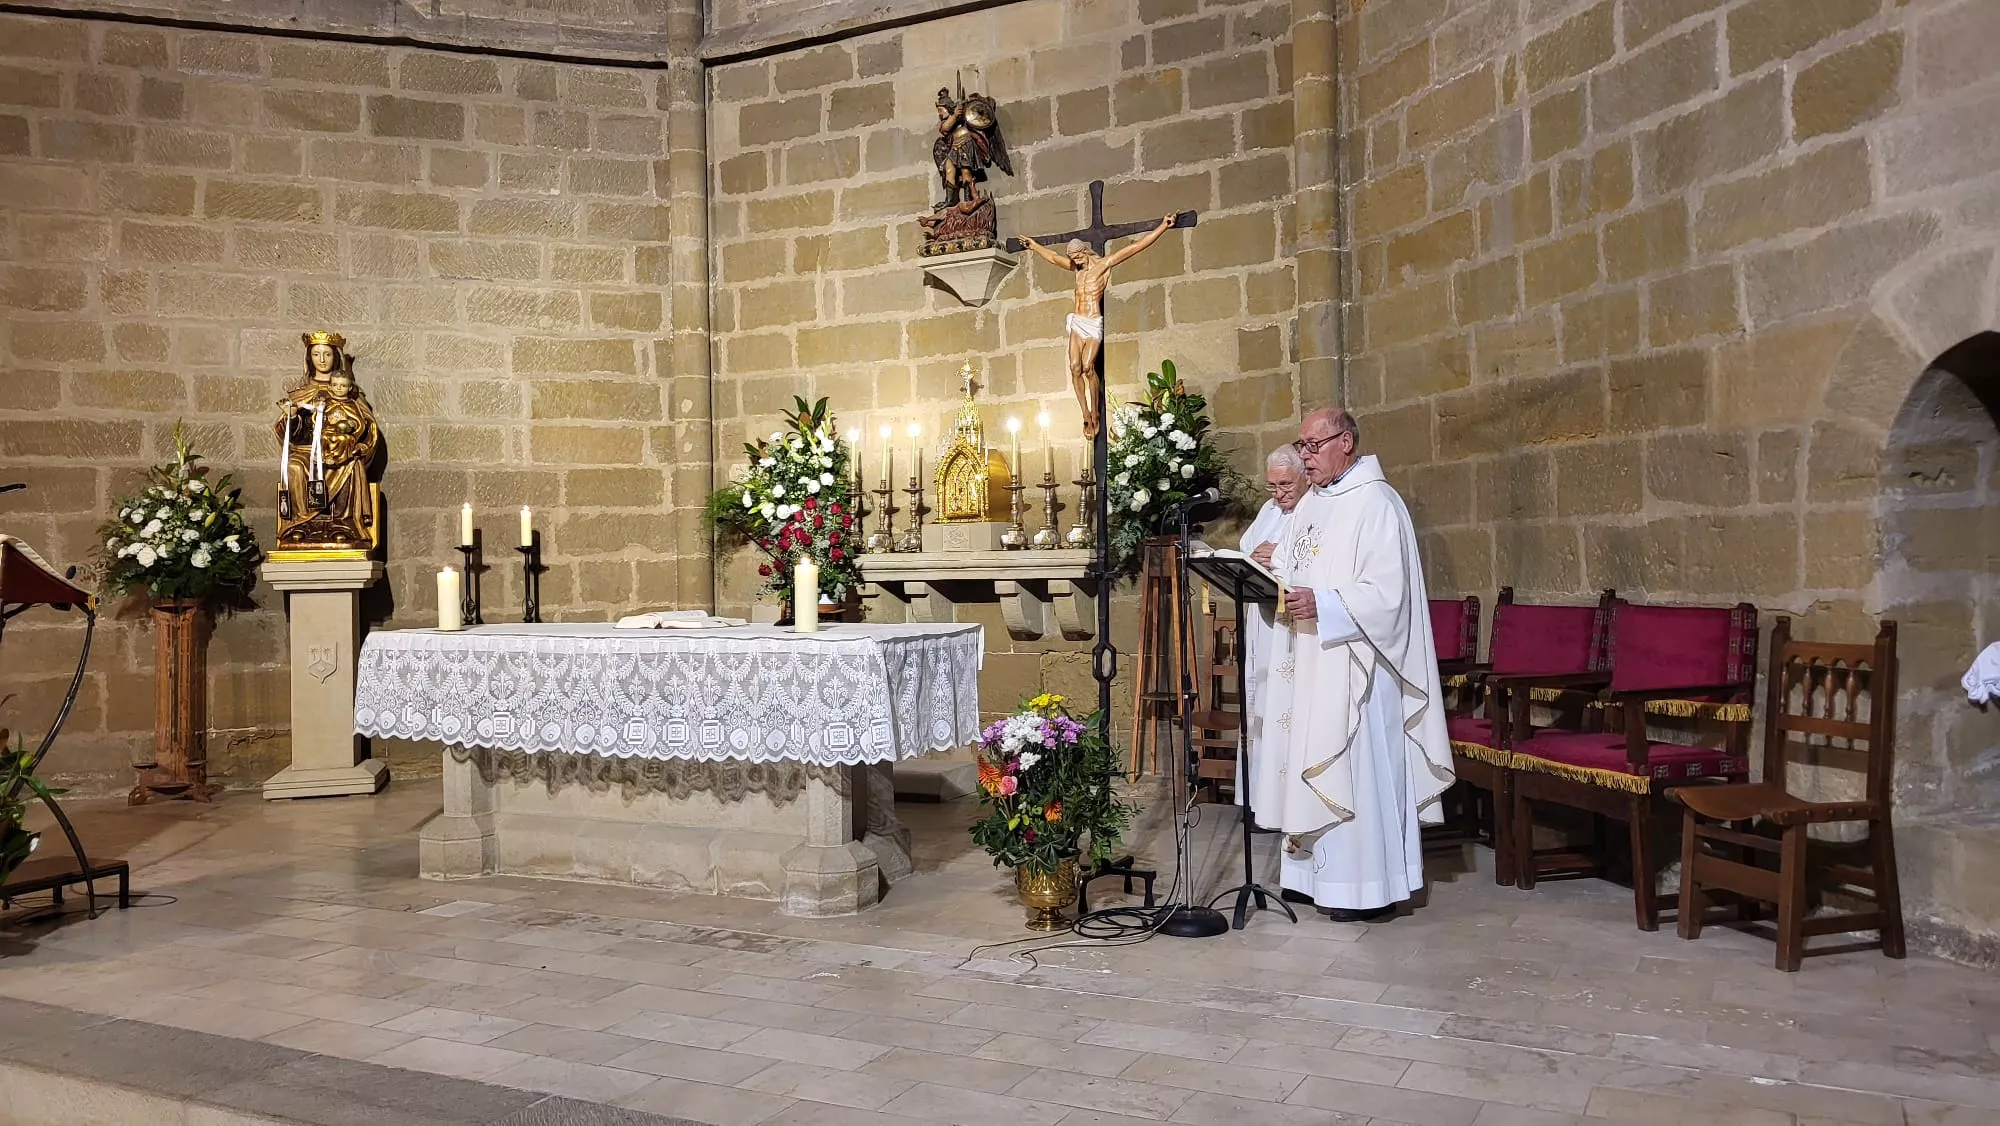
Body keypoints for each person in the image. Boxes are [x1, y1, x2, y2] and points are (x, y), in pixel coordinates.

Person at [1247, 408, 1454, 922]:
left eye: (1312, 447)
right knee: (1308, 759)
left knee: (1353, 768)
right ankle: (1306, 878)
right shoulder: (1312, 504)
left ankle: (1361, 887)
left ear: (1345, 442)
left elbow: (1390, 594)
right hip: (1311, 658)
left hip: (1359, 664)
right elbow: (1298, 564)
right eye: (1301, 446)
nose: (1304, 457)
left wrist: (1327, 605)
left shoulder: (1378, 504)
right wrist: (1274, 566)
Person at [1019, 215, 1178, 440]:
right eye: (1072, 258)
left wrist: (1163, 226)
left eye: (1077, 257)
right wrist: (1034, 246)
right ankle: (1085, 414)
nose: (1075, 261)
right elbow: (1054, 259)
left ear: (1085, 252)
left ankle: (1096, 411)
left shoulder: (1103, 265)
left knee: (1087, 367)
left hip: (1093, 322)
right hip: (1078, 321)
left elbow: (1136, 247)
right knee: (1074, 367)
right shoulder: (1076, 269)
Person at [1238, 445, 1307, 808]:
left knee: (1284, 710)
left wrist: (1277, 557)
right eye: (1272, 486)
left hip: (1290, 627)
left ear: (1304, 477)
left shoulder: (1313, 510)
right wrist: (1254, 557)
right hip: (1262, 623)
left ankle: (1284, 801)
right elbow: (1247, 547)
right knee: (1259, 705)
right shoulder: (1269, 509)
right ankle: (1258, 798)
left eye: (1285, 485)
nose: (1279, 494)